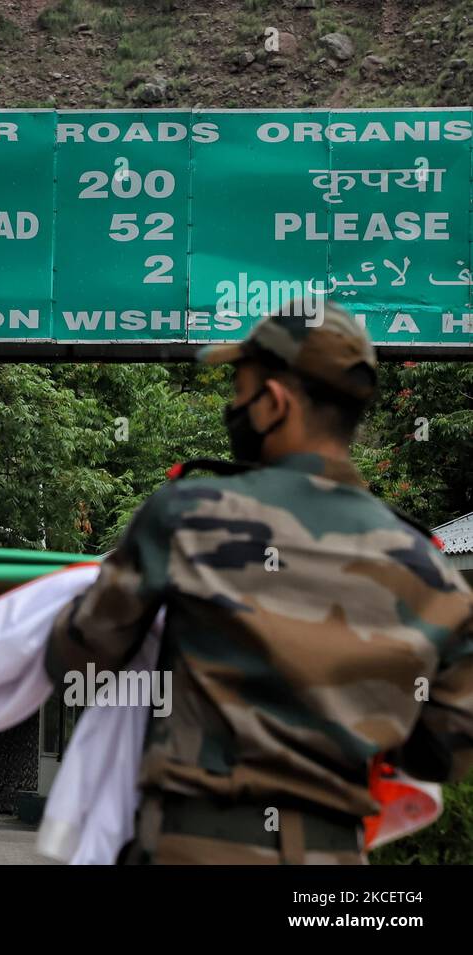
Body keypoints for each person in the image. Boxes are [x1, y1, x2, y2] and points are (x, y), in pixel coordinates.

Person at [44, 300, 473, 864]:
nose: (233, 407)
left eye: (239, 392)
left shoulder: (189, 517)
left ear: (274, 403)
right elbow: (446, 752)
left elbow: (77, 660)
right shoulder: (432, 573)